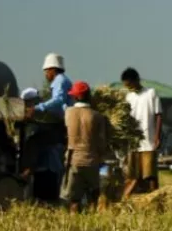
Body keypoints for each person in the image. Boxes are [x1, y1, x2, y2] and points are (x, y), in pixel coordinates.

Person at [24, 54, 72, 204]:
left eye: (46, 71)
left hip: (63, 124)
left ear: (52, 70)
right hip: (62, 122)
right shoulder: (62, 80)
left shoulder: (60, 81)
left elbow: (58, 100)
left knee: (33, 141)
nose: (46, 75)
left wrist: (38, 108)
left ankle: (27, 170)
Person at [61, 80, 114, 213]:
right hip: (92, 160)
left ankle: (74, 219)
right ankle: (92, 216)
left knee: (74, 199)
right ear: (88, 96)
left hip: (73, 160)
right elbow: (102, 142)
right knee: (93, 196)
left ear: (76, 97)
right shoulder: (97, 116)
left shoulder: (68, 113)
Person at [121, 67, 162, 196]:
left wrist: (157, 137)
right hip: (133, 143)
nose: (129, 88)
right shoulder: (128, 97)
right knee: (133, 176)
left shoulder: (151, 93)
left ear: (136, 80)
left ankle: (156, 198)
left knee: (150, 175)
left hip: (149, 141)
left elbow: (158, 115)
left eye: (130, 85)